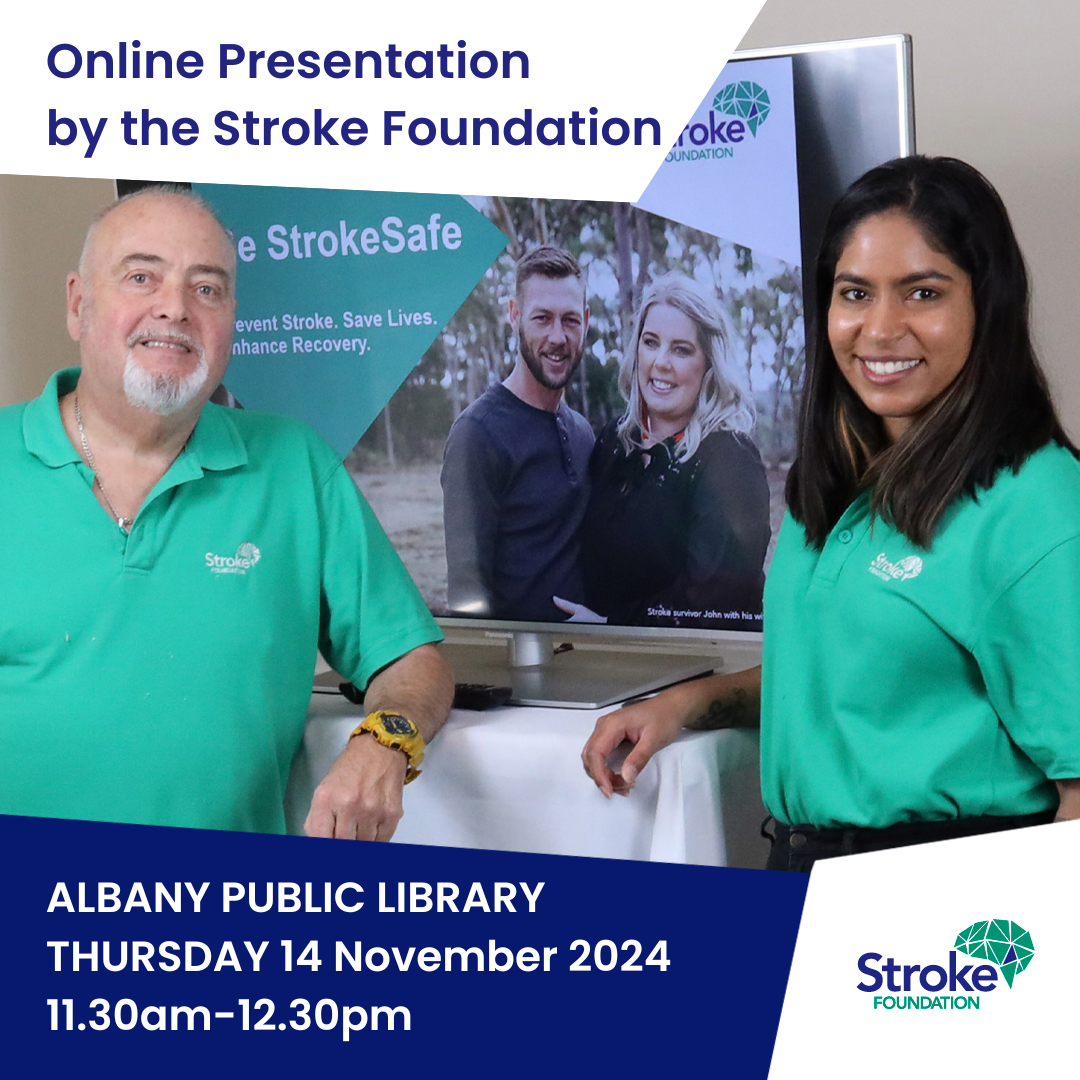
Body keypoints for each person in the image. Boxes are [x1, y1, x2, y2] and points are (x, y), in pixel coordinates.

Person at [582, 156, 1080, 870]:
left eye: (923, 292)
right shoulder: (838, 483)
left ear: (987, 302)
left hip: (944, 896)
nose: (880, 328)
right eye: (855, 293)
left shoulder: (1036, 502)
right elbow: (847, 676)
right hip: (801, 868)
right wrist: (685, 706)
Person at [0, 184, 454, 840]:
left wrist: (386, 743)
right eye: (141, 276)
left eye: (206, 289)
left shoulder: (293, 466)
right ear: (79, 303)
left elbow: (415, 662)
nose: (175, 309)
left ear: (231, 318)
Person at [559, 274, 770, 628]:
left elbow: (713, 602)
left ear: (709, 364)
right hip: (601, 660)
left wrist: (609, 625)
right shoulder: (615, 441)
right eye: (651, 342)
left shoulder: (730, 461)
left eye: (681, 349)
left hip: (699, 669)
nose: (660, 362)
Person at [441, 244, 594, 622]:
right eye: (542, 318)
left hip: (593, 661)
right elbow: (467, 594)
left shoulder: (584, 434)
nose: (557, 337)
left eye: (570, 320)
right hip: (519, 672)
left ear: (586, 320)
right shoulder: (476, 434)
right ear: (515, 315)